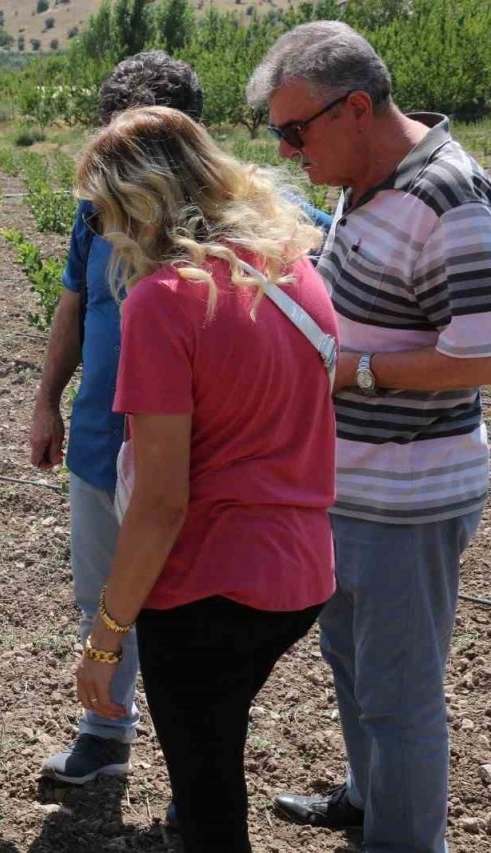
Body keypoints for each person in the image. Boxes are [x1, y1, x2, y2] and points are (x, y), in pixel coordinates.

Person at [32, 50, 332, 790]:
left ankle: (188, 775)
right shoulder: (104, 217)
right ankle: (115, 738)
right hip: (118, 451)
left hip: (203, 495)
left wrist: (102, 648)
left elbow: (166, 501)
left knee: (186, 664)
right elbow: (73, 302)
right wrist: (47, 398)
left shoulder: (235, 260)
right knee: (113, 601)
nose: (104, 216)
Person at [247, 21, 491, 851]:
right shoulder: (372, 177)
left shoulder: (448, 196)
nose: (286, 152)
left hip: (408, 496)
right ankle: (366, 795)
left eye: (294, 131)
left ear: (355, 108)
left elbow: (482, 354)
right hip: (350, 485)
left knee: (401, 693)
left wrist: (352, 373)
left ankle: (407, 839)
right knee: (352, 662)